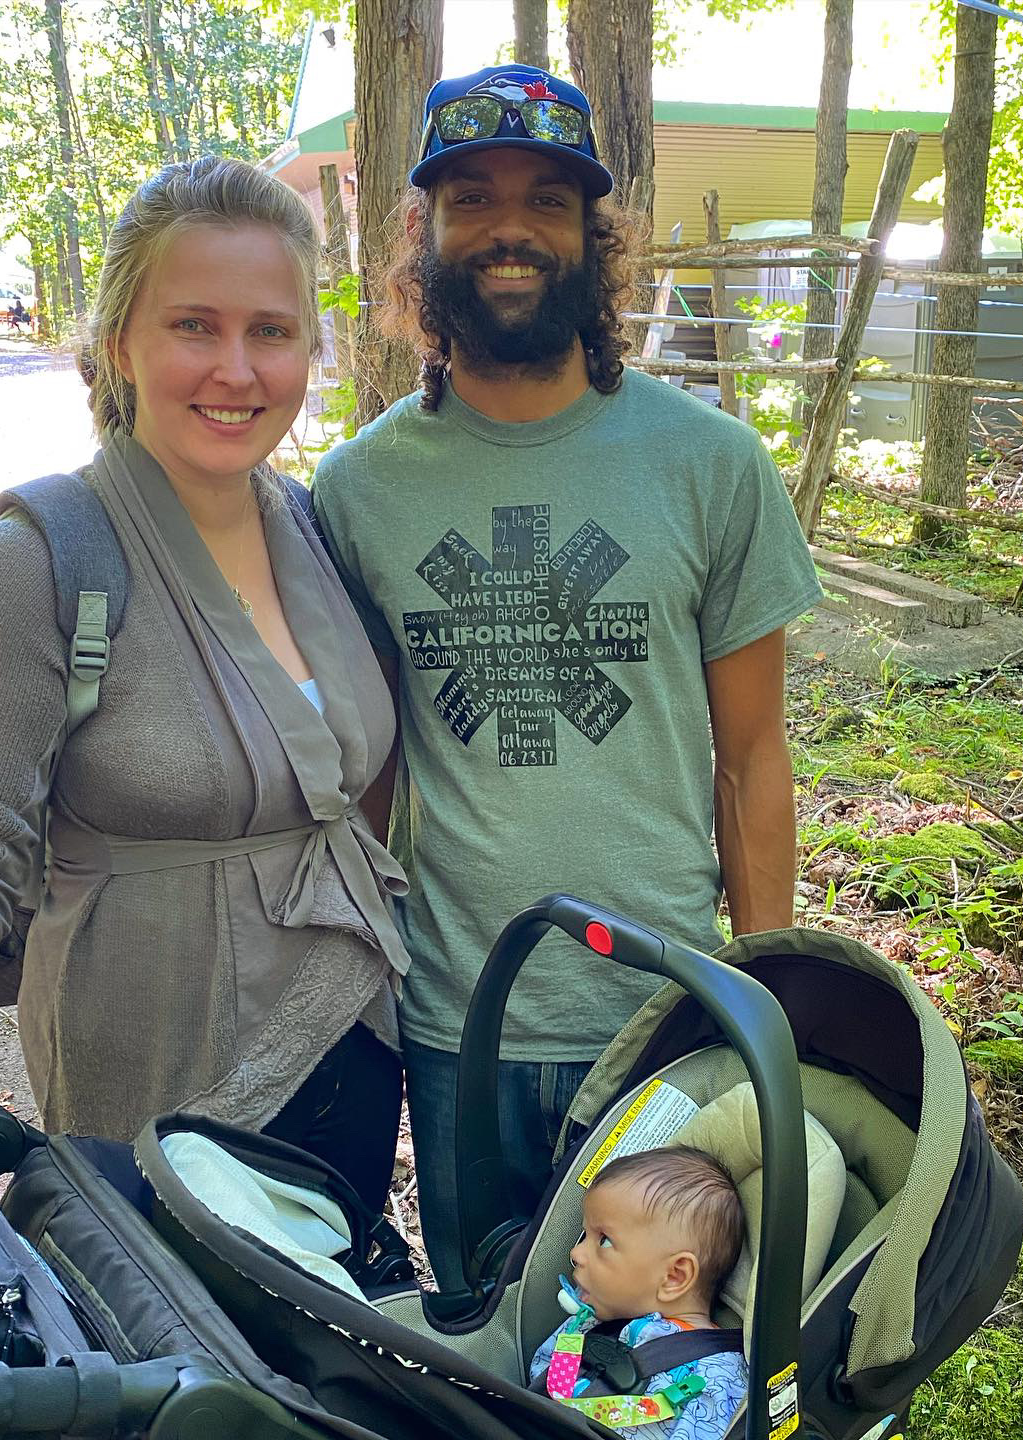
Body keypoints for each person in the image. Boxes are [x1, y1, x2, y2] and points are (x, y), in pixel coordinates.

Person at [310, 63, 822, 1287]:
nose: (510, 229)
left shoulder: (710, 464)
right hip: (458, 1020)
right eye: (472, 196)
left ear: (598, 236)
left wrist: (769, 1011)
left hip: (660, 1011)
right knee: (490, 1330)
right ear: (421, 234)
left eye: (548, 199)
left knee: (660, 1339)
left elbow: (752, 759)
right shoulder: (360, 490)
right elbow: (368, 771)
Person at [0, 155, 411, 1212]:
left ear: (308, 351)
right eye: (195, 325)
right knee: (179, 1366)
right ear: (118, 343)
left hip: (349, 1036)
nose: (235, 368)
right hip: (156, 1083)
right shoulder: (40, 560)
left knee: (330, 1362)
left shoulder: (315, 528)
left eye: (270, 331)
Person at [529, 1146, 747, 1440]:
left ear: (674, 1276)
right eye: (585, 1236)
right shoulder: (587, 1325)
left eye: (604, 1241)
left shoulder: (717, 1379)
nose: (576, 1253)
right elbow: (540, 1384)